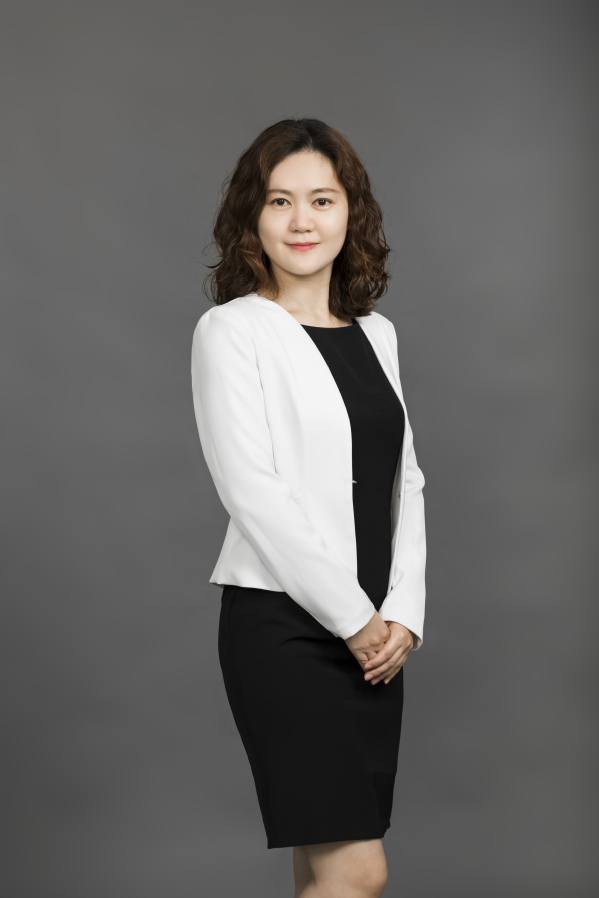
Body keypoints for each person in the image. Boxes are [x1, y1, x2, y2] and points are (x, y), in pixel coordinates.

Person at [191, 118, 426, 898]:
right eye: (279, 200)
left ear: (349, 211)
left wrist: (403, 613)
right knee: (358, 871)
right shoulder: (231, 331)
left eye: (321, 200)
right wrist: (354, 621)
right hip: (285, 627)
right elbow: (251, 492)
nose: (301, 221)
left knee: (324, 868)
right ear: (251, 216)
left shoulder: (377, 334)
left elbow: (405, 480)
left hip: (377, 639)